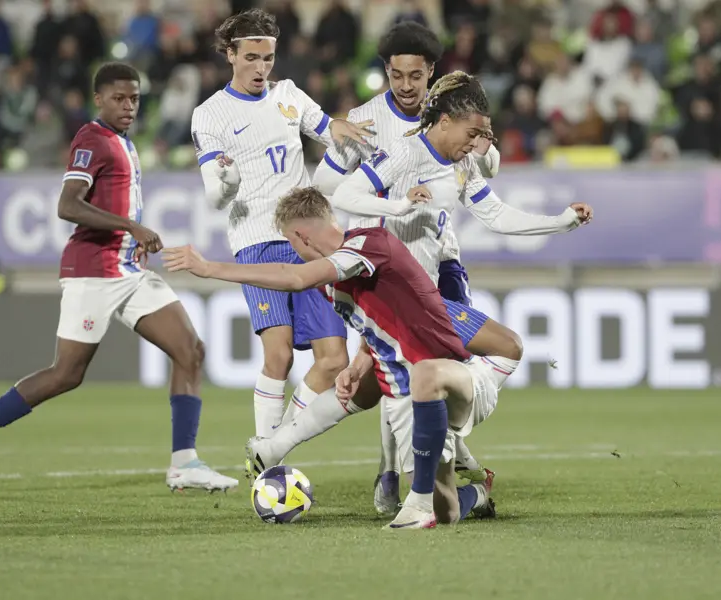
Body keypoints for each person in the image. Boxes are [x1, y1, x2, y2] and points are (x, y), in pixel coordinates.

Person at [0, 63, 237, 494]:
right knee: (66, 373)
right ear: (98, 98)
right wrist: (131, 227)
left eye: (135, 98)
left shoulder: (125, 143)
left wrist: (131, 237)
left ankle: (184, 463)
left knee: (190, 349)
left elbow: (114, 207)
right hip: (93, 270)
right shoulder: (91, 138)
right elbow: (68, 205)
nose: (129, 106)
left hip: (128, 269)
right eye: (120, 98)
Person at [316, 70, 591, 513]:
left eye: (484, 133)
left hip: (425, 302)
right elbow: (347, 192)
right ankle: (423, 474)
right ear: (444, 121)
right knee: (395, 383)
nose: (477, 143)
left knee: (424, 378)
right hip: (392, 298)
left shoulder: (460, 166)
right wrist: (398, 205)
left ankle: (433, 474)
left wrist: (560, 222)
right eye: (473, 131)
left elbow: (496, 215)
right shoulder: (404, 154)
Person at [162, 187, 513, 529]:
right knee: (447, 507)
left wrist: (209, 269)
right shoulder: (334, 281)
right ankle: (476, 496)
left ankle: (418, 501)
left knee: (422, 375)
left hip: (454, 379)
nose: (294, 252)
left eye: (291, 243)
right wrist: (358, 364)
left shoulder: (369, 243)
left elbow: (295, 277)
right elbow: (381, 322)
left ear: (300, 237)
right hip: (409, 396)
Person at [310, 21, 503, 514]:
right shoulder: (366, 120)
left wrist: (486, 151)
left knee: (439, 359)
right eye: (396, 75)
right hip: (388, 256)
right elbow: (323, 185)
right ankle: (400, 471)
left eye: (415, 76)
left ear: (432, 73)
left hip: (442, 255)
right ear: (386, 73)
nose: (406, 86)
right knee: (394, 357)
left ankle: (428, 465)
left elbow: (487, 164)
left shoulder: (451, 108)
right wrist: (375, 192)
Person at [190, 9, 373, 439]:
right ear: (230, 53)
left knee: (333, 360)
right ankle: (267, 465)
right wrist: (228, 182)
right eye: (252, 57)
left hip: (306, 238)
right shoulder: (210, 114)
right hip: (256, 239)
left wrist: (360, 137)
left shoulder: (289, 95)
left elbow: (332, 132)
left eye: (268, 58)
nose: (261, 68)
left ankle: (275, 444)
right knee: (281, 356)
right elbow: (215, 198)